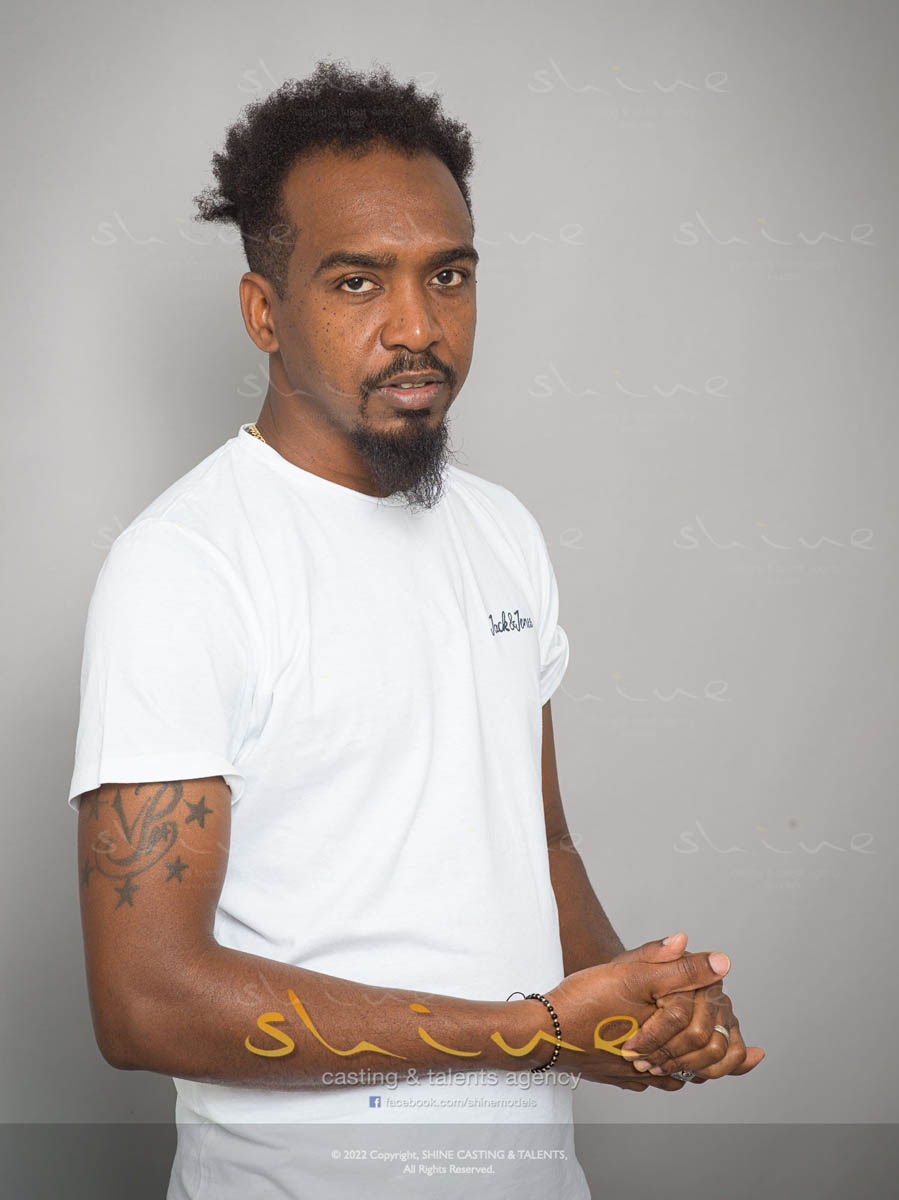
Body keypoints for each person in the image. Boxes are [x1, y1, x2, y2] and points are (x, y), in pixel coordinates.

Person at [68, 59, 764, 1199]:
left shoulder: (503, 532)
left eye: (448, 276)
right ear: (263, 312)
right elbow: (145, 1002)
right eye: (357, 282)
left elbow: (537, 843)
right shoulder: (186, 567)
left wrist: (636, 1000)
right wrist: (535, 1031)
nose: (417, 327)